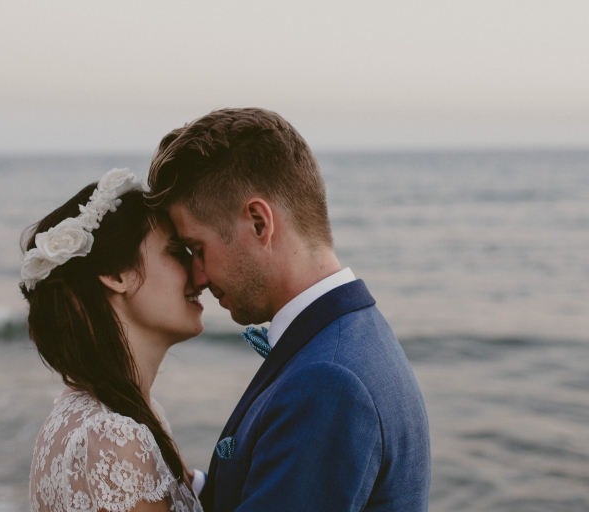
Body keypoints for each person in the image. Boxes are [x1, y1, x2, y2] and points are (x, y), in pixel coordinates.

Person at [147, 108, 432, 511]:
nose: (197, 276)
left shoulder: (328, 383)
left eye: (198, 248)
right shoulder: (349, 336)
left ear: (260, 223)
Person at [22, 168, 204, 512]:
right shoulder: (115, 437)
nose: (201, 274)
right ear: (117, 274)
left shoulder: (91, 414)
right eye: (178, 252)